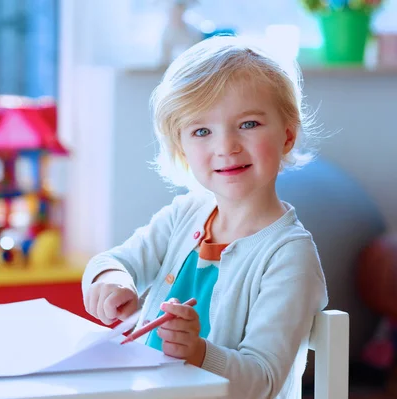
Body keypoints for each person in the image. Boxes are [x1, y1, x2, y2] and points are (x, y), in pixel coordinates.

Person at [81, 35, 328, 399]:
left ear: (288, 136)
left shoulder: (289, 256)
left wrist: (198, 352)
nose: (225, 146)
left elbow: (262, 381)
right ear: (182, 150)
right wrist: (112, 281)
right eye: (202, 131)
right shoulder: (186, 213)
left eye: (248, 124)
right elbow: (113, 261)